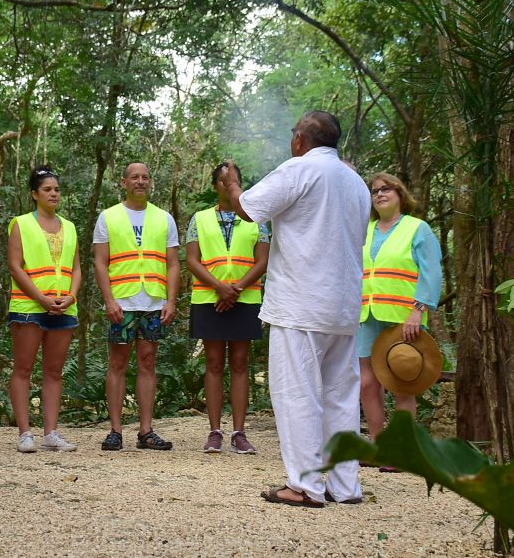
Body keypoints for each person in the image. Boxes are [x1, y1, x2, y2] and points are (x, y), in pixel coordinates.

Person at [224, 110, 370, 508]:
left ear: (301, 139)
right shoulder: (356, 182)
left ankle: (305, 486)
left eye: (293, 135)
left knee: (299, 394)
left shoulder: (300, 169)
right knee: (340, 396)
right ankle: (346, 486)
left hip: (303, 304)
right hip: (343, 306)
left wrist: (233, 185)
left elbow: (247, 207)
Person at [93, 162, 180, 451]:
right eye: (134, 177)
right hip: (123, 301)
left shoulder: (164, 218)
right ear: (123, 182)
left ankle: (145, 431)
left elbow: (173, 263)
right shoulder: (108, 217)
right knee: (117, 363)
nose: (140, 181)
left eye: (145, 177)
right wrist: (109, 300)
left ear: (150, 183)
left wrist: (170, 299)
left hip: (154, 301)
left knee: (148, 362)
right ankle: (115, 430)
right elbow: (100, 262)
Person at [185, 162, 269, 455]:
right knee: (213, 363)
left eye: (232, 180)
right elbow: (193, 260)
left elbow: (263, 260)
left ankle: (239, 432)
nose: (226, 185)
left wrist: (236, 289)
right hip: (209, 299)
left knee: (240, 363)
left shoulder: (257, 219)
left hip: (244, 299)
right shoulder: (199, 219)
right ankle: (214, 431)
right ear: (214, 186)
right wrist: (220, 287)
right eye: (222, 180)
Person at [358, 172, 442, 453]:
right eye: (375, 191)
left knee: (402, 383)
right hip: (366, 315)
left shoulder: (418, 229)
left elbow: (431, 274)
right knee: (368, 384)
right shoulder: (364, 230)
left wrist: (418, 311)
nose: (380, 194)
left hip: (403, 318)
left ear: (400, 194)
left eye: (386, 189)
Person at [7, 166, 82, 453]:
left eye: (57, 189)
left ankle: (51, 432)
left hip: (63, 307)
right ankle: (25, 432)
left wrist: (72, 296)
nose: (53, 194)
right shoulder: (21, 223)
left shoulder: (70, 227)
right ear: (34, 194)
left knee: (54, 371)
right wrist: (40, 298)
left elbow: (76, 268)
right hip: (29, 305)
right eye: (47, 189)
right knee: (24, 368)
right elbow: (15, 266)